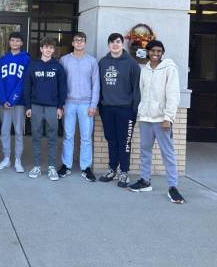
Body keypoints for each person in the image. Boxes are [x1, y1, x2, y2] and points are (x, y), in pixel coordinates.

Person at [129, 40, 185, 204]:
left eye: (159, 51)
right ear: (148, 52)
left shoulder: (169, 68)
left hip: (162, 119)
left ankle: (173, 187)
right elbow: (142, 92)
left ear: (162, 53)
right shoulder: (144, 70)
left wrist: (169, 117)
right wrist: (141, 111)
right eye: (153, 51)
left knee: (167, 153)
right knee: (145, 151)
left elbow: (173, 94)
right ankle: (145, 181)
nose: (156, 53)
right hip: (146, 117)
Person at [98, 33, 141, 188]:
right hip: (107, 108)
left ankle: (124, 172)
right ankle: (112, 169)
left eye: (118, 42)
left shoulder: (132, 64)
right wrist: (99, 105)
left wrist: (134, 109)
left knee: (125, 142)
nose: (115, 45)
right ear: (108, 45)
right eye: (112, 42)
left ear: (122, 44)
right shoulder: (102, 62)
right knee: (111, 140)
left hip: (126, 110)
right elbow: (99, 86)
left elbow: (137, 88)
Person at [58, 31, 100, 181]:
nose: (79, 43)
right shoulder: (64, 60)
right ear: (73, 43)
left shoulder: (92, 61)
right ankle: (66, 165)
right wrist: (60, 104)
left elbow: (96, 84)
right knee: (68, 136)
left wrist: (93, 104)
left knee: (86, 137)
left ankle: (85, 167)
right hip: (68, 103)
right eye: (76, 40)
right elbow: (60, 84)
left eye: (82, 40)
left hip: (86, 104)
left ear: (85, 42)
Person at [24, 37, 67, 181]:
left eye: (51, 48)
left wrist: (60, 107)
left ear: (53, 50)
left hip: (52, 107)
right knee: (36, 136)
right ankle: (36, 166)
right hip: (35, 106)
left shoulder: (58, 67)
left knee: (52, 137)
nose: (48, 50)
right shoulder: (33, 65)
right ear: (41, 49)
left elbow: (63, 88)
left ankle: (51, 167)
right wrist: (28, 106)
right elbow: (27, 87)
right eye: (46, 47)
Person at [0, 32, 30, 173]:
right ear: (9, 43)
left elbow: (23, 82)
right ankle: (6, 158)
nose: (15, 43)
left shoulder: (26, 59)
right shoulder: (3, 59)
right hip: (4, 103)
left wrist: (12, 99)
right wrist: (3, 99)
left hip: (19, 102)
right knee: (4, 131)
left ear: (21, 43)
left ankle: (18, 160)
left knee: (18, 131)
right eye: (12, 40)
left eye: (18, 41)